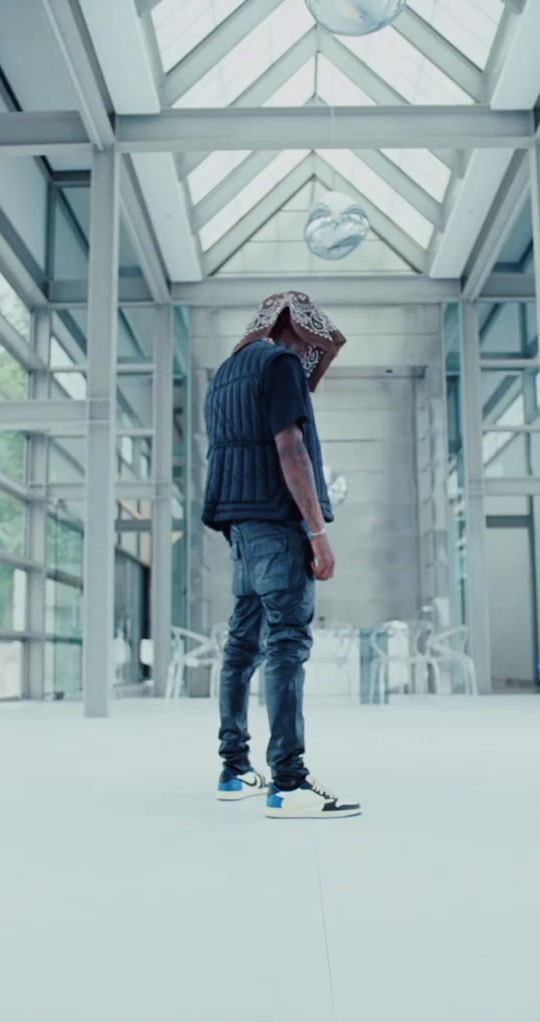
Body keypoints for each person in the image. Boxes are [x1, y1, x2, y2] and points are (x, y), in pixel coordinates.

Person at [200, 292, 362, 820]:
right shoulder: (280, 362)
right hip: (277, 521)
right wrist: (316, 531)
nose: (311, 354)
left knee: (241, 648)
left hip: (239, 526)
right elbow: (289, 446)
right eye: (309, 341)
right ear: (295, 328)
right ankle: (288, 782)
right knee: (287, 643)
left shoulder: (226, 374)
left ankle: (235, 769)